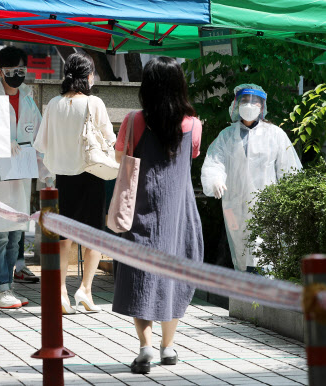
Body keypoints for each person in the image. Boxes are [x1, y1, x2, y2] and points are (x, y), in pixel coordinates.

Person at [111, 57, 204, 374]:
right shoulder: (193, 124)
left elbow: (118, 155)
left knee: (141, 275)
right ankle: (168, 347)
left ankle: (145, 347)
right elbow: (191, 154)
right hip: (179, 213)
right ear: (180, 85)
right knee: (175, 275)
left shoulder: (134, 120)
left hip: (141, 210)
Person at [34, 52, 114, 314]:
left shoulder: (54, 104)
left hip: (63, 179)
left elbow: (42, 144)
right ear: (88, 75)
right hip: (91, 175)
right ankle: (85, 290)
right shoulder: (94, 103)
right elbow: (109, 139)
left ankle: (60, 292)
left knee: (63, 237)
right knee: (93, 236)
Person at [0, 46, 50, 309]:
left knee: (16, 234)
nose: (17, 76)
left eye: (22, 70)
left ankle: (8, 287)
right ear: (0, 72)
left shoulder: (28, 100)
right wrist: (1, 141)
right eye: (12, 71)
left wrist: (46, 175)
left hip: (20, 175)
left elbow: (40, 140)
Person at [201, 84, 302, 272]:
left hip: (267, 206)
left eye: (254, 101)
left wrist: (289, 203)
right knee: (240, 252)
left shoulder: (275, 135)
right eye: (245, 101)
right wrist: (215, 179)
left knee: (263, 253)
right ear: (236, 105)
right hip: (234, 205)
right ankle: (246, 294)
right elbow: (215, 161)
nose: (249, 105)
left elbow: (289, 170)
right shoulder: (226, 136)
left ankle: (261, 292)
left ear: (262, 107)